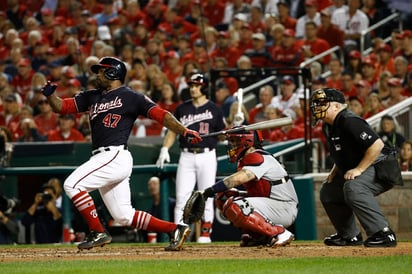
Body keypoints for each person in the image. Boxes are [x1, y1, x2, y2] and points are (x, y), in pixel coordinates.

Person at [41, 56, 202, 251]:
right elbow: (62, 107)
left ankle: (97, 231)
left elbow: (161, 114)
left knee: (72, 185)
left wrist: (183, 131)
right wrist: (50, 96)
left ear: (113, 72)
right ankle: (175, 229)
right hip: (103, 157)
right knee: (124, 215)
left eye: (102, 70)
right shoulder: (92, 96)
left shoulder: (131, 96)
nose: (98, 74)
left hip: (114, 155)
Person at [310, 88, 397, 248]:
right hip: (366, 164)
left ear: (336, 106)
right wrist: (334, 171)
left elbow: (377, 145)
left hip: (381, 165)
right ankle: (349, 236)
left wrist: (358, 170)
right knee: (328, 190)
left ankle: (383, 233)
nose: (317, 107)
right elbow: (342, 151)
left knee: (354, 187)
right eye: (316, 104)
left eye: (322, 104)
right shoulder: (328, 126)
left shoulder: (350, 120)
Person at [156, 73, 226, 243]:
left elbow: (222, 136)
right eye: (192, 85)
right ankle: (178, 230)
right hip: (186, 154)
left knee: (206, 194)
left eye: (197, 85)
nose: (193, 88)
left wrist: (235, 123)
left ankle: (206, 232)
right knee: (182, 196)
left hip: (207, 154)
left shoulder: (214, 109)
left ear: (204, 88)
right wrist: (165, 148)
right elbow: (173, 130)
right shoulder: (182, 109)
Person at [198, 129, 298, 247]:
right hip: (272, 204)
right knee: (225, 196)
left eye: (236, 142)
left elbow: (238, 179)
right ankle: (257, 235)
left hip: (283, 207)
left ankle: (279, 233)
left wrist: (209, 191)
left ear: (247, 142)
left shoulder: (257, 157)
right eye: (232, 142)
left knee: (235, 205)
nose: (233, 146)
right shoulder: (249, 158)